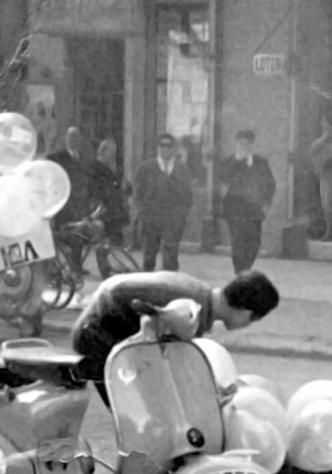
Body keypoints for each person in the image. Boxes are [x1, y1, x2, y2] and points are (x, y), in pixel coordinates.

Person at [71, 270, 280, 405]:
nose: (247, 325)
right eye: (253, 320)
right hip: (97, 337)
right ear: (246, 312)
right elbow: (116, 290)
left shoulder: (197, 298)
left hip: (110, 334)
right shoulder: (189, 310)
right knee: (135, 413)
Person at [217, 129, 276, 273]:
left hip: (254, 210)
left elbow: (270, 183)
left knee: (254, 243)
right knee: (238, 243)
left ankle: (246, 267)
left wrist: (266, 203)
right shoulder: (229, 161)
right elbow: (224, 178)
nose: (242, 147)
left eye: (246, 144)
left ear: (251, 145)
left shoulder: (260, 162)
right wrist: (237, 161)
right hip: (235, 209)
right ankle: (240, 272)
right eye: (240, 143)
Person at [133, 133, 193, 272]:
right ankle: (148, 286)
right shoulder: (145, 168)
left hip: (172, 218)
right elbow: (138, 193)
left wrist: (181, 214)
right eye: (162, 145)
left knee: (171, 255)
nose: (165, 149)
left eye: (169, 146)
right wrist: (143, 213)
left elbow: (188, 194)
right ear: (157, 148)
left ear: (174, 149)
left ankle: (169, 285)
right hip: (151, 218)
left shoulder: (182, 169)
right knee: (149, 255)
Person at [49, 126, 95, 273]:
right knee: (69, 236)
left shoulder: (83, 158)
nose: (73, 140)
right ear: (65, 139)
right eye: (70, 137)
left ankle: (76, 266)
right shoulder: (58, 157)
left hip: (79, 203)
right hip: (64, 204)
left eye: (76, 137)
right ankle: (67, 268)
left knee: (80, 236)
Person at [87, 138, 130, 277]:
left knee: (108, 240)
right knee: (102, 239)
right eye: (111, 152)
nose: (113, 155)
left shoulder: (111, 166)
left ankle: (106, 265)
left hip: (112, 208)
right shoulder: (95, 167)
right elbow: (95, 188)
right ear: (103, 151)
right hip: (103, 207)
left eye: (114, 152)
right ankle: (104, 268)